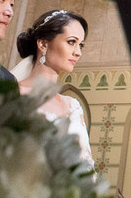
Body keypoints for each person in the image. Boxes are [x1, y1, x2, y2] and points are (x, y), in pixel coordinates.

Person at [12, 9, 93, 168]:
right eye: (71, 42)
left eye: (81, 45)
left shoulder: (73, 106)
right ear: (43, 44)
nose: (78, 53)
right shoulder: (15, 93)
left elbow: (86, 164)